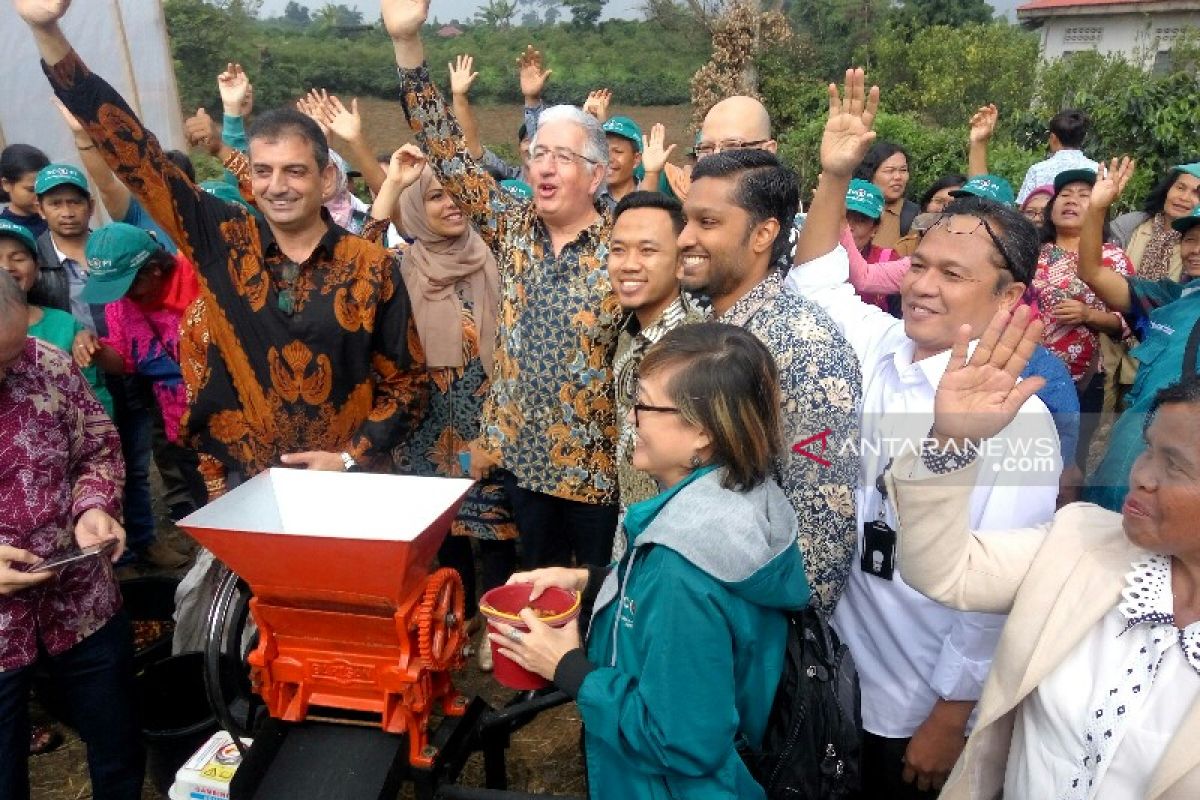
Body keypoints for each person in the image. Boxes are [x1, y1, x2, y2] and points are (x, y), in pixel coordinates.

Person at [788, 69, 1061, 797]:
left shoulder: (1017, 417)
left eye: (953, 274)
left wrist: (950, 713)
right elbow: (814, 281)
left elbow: (997, 591)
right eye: (920, 265)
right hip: (848, 663)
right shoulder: (882, 347)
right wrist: (833, 173)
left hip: (917, 698)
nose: (923, 285)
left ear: (1009, 295)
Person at [490, 323, 811, 800]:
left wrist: (566, 667)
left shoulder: (679, 568)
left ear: (702, 433)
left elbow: (680, 741)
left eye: (643, 404)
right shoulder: (739, 503)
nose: (629, 418)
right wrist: (590, 580)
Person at [889, 311, 1200, 798]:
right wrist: (953, 440)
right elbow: (943, 572)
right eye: (1148, 450)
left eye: (1176, 467)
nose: (1141, 474)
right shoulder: (1080, 540)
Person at [386, 0, 622, 569]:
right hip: (524, 463)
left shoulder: (627, 248)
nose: (544, 167)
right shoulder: (511, 228)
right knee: (533, 593)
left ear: (597, 174)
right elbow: (444, 145)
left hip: (598, 472)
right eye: (539, 153)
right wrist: (407, 47)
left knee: (595, 597)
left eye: (562, 157)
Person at [677, 147, 860, 617]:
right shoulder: (702, 324)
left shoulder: (804, 349)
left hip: (746, 627)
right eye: (686, 221)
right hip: (688, 598)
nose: (684, 239)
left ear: (763, 233)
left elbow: (820, 540)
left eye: (707, 223)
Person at [369, 144, 518, 671]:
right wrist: (389, 184)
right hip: (423, 428)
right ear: (413, 208)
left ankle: (498, 626)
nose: (451, 204)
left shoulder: (496, 255)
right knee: (445, 529)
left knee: (493, 524)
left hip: (485, 421)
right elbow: (353, 259)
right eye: (434, 196)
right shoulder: (395, 268)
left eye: (457, 193)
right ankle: (460, 616)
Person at [0, 271, 143, 800]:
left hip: (80, 598)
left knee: (118, 744)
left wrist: (94, 508)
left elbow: (98, 448)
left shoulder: (45, 363)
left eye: (13, 355)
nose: (11, 372)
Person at [1073, 160, 1200, 512]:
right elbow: (1091, 271)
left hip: (1180, 474)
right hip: (1127, 458)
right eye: (1190, 239)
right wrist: (1097, 207)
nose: (1195, 250)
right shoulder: (1167, 297)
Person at [73, 223, 207, 511]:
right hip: (183, 426)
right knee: (210, 506)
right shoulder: (120, 305)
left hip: (234, 418)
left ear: (154, 270)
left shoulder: (197, 279)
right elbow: (125, 362)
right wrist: (95, 349)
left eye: (130, 285)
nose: (125, 295)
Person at [609, 191, 706, 558]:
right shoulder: (628, 333)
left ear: (681, 263)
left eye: (647, 251)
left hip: (675, 546)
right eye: (618, 250)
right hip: (630, 530)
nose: (628, 264)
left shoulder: (695, 352)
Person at [1031, 168, 1133, 467]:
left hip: (1085, 380)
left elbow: (1127, 322)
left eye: (1084, 196)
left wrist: (1089, 315)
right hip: (1024, 370)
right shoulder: (1030, 252)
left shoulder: (1112, 258)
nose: (1072, 201)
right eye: (1064, 195)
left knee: (1069, 463)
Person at [0, 218, 111, 415]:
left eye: (18, 258)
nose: (6, 267)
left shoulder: (65, 325)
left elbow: (94, 398)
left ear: (36, 268)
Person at [1110, 162, 1200, 283]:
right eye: (1180, 188)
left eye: (1197, 194)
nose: (1184, 197)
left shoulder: (1194, 250)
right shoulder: (1129, 225)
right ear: (1167, 189)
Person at [1015, 108, 1098, 204]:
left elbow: (1024, 208)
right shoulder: (1098, 170)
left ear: (1053, 138)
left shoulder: (1037, 171)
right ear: (1083, 138)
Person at [855, 141, 919, 249]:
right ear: (871, 173)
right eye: (890, 171)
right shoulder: (850, 206)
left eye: (903, 170)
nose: (898, 177)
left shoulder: (913, 217)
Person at [0, 145, 50, 238]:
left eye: (45, 187)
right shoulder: (5, 231)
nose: (39, 195)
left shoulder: (59, 218)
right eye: (31, 190)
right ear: (6, 184)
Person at [601, 115, 643, 203]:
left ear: (636, 159)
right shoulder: (590, 197)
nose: (608, 158)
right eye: (604, 150)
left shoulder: (651, 200)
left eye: (617, 151)